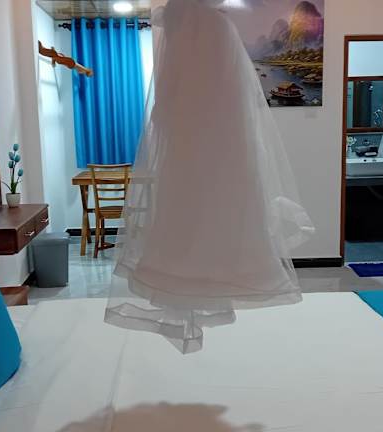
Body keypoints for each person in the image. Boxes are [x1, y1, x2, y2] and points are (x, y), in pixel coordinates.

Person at [105, 0, 314, 353]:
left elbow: (169, 106)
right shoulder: (214, 28)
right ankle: (206, 280)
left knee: (193, 211)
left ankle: (192, 284)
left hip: (193, 144)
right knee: (215, 208)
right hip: (214, 143)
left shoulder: (200, 30)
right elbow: (227, 105)